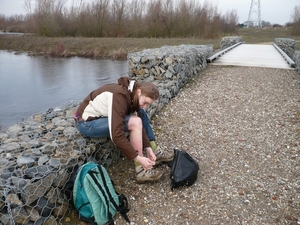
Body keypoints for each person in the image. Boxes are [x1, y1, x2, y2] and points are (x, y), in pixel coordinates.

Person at [74, 76, 173, 183]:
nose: (145, 106)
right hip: (86, 123)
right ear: (139, 92)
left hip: (101, 118)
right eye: (145, 102)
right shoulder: (119, 95)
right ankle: (141, 170)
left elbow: (140, 119)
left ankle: (154, 151)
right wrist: (138, 158)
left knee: (141, 114)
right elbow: (116, 135)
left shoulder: (132, 94)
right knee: (135, 122)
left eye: (148, 104)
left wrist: (148, 147)